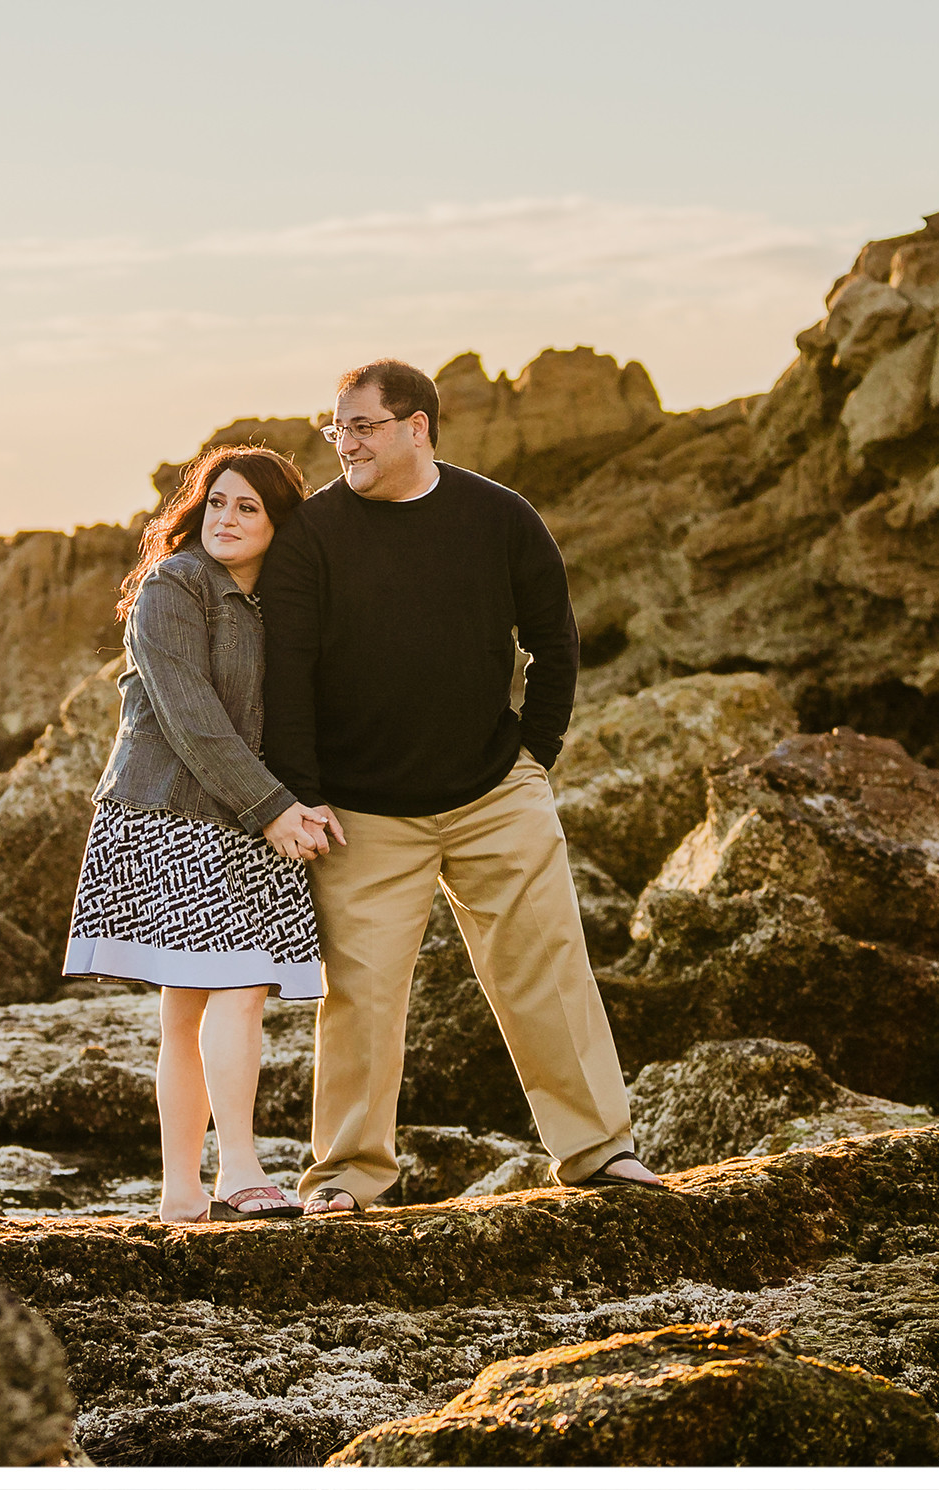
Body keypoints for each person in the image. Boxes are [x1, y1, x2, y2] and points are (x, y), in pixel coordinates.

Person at [259, 360, 668, 1213]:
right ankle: (346, 1179)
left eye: (363, 427)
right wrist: (302, 793)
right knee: (362, 1000)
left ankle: (598, 1151)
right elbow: (286, 678)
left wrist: (536, 754)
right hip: (363, 812)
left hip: (494, 794)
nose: (346, 444)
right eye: (338, 428)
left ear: (418, 427)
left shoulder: (499, 516)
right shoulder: (313, 535)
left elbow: (555, 640)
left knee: (547, 966)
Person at [64, 444, 342, 1224]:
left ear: (280, 521)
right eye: (215, 502)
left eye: (247, 507)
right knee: (232, 992)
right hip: (172, 817)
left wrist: (311, 797)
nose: (225, 518)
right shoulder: (173, 585)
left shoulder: (286, 599)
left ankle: (182, 1192)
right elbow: (192, 719)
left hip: (246, 814)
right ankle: (237, 1172)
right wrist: (278, 809)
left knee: (205, 1002)